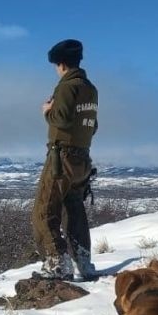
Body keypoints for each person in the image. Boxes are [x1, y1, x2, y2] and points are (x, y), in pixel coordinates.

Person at [31, 39, 99, 281]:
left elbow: (61, 120)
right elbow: (93, 125)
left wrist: (48, 110)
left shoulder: (66, 87)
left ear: (60, 64)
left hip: (62, 158)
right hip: (83, 158)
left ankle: (57, 263)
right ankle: (84, 262)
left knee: (44, 209)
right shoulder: (90, 89)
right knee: (75, 209)